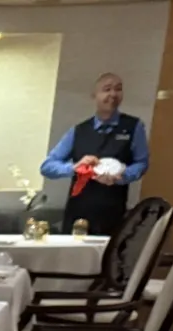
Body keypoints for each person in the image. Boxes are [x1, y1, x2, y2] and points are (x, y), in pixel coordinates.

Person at [40, 73, 150, 235]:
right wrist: (74, 168)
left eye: (118, 89)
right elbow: (47, 166)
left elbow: (142, 163)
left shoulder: (134, 126)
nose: (113, 94)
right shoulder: (79, 130)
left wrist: (122, 175)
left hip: (113, 210)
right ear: (94, 95)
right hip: (78, 210)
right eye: (107, 89)